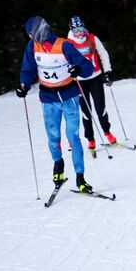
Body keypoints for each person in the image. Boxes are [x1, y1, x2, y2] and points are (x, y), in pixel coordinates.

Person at [16, 16, 95, 193]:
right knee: (53, 138)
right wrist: (24, 85)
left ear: (38, 32)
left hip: (69, 97)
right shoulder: (32, 47)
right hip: (48, 99)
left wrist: (78, 69)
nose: (31, 38)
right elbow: (28, 69)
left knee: (73, 137)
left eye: (31, 34)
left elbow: (87, 66)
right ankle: (58, 165)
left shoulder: (64, 45)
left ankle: (80, 178)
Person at [66, 16, 116, 150]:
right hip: (80, 81)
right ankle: (91, 138)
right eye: (76, 30)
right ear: (71, 30)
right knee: (86, 111)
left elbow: (103, 54)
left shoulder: (92, 38)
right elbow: (64, 62)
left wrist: (108, 71)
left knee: (101, 107)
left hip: (95, 77)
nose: (79, 33)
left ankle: (107, 132)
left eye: (81, 29)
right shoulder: (68, 43)